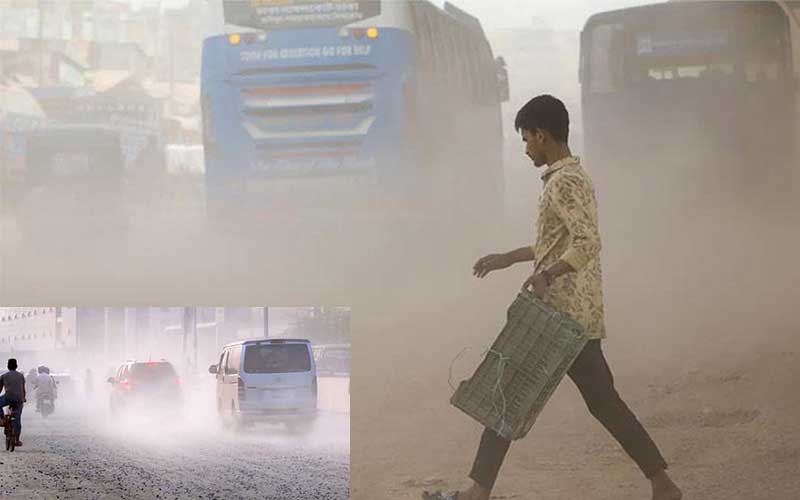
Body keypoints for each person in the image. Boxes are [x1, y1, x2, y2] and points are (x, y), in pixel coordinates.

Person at [424, 95, 683, 500]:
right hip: (573, 319)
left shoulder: (564, 182)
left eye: (526, 139)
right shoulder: (570, 177)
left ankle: (476, 493)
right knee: (602, 403)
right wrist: (509, 258)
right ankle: (662, 483)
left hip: (558, 318)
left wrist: (547, 274)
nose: (526, 148)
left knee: (507, 395)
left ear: (541, 135)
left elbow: (587, 242)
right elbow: (557, 243)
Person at [0, 358, 26, 447]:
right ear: (16, 366)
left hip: (8, 398)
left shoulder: (3, 376)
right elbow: (23, 389)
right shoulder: (21, 376)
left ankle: (2, 419)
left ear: (8, 366)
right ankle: (17, 440)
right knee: (17, 418)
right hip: (19, 399)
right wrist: (24, 398)